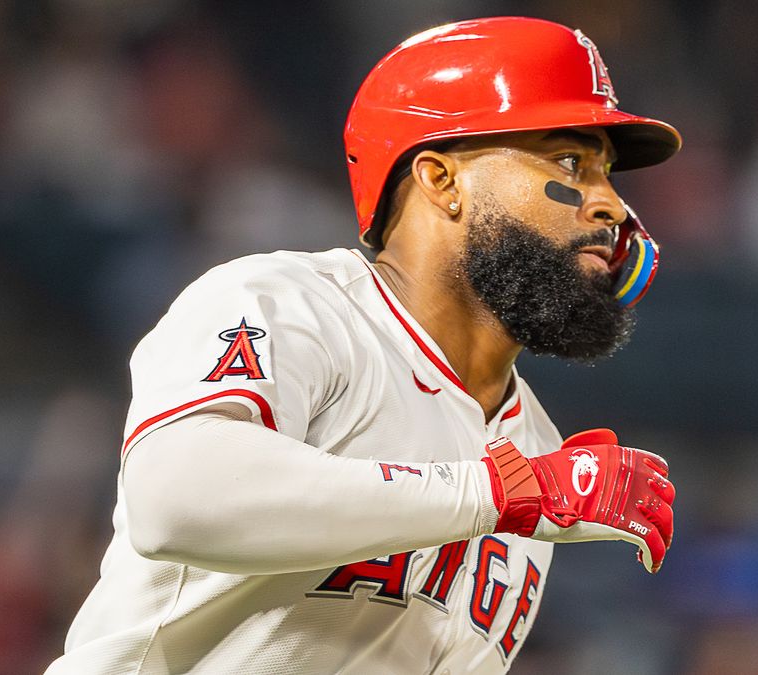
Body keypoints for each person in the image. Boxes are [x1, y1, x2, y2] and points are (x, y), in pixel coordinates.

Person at [49, 16, 681, 674]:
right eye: (571, 162)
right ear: (441, 180)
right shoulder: (289, 304)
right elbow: (173, 497)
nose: (612, 205)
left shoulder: (539, 456)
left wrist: (510, 489)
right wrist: (495, 493)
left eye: (608, 173)